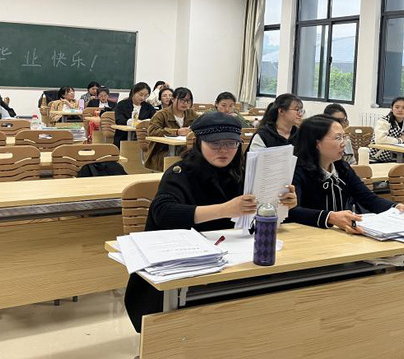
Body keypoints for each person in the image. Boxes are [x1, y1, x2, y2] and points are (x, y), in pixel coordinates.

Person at [123, 112, 297, 332]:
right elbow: (163, 212)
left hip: (231, 261)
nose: (224, 150)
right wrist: (224, 210)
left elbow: (253, 217)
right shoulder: (180, 173)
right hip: (182, 266)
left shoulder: (242, 172)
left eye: (231, 143)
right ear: (199, 142)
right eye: (215, 144)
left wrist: (282, 203)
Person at [289, 114, 404, 233]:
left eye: (344, 137)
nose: (344, 143)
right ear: (316, 143)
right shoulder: (295, 171)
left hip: (338, 234)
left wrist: (395, 207)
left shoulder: (342, 168)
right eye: (338, 138)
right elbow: (292, 211)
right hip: (306, 235)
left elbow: (368, 199)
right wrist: (329, 217)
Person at [145, 87, 197, 171]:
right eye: (182, 100)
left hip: (185, 148)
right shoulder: (162, 114)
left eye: (188, 100)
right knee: (187, 157)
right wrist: (176, 132)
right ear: (173, 99)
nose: (185, 103)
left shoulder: (191, 113)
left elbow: (200, 126)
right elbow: (152, 131)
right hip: (162, 151)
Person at [369, 97, 404, 162]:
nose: (400, 110)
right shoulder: (383, 121)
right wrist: (400, 140)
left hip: (400, 158)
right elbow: (380, 139)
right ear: (392, 109)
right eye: (397, 107)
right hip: (378, 158)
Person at [113, 82, 156, 147]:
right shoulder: (122, 104)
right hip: (123, 137)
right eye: (140, 94)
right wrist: (130, 122)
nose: (143, 98)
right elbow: (119, 120)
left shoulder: (149, 107)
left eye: (146, 96)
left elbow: (154, 120)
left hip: (143, 139)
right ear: (134, 92)